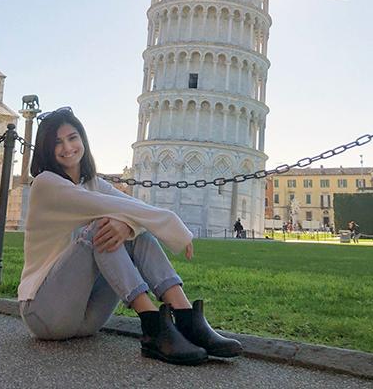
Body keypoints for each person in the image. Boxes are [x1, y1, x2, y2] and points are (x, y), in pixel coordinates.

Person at [17, 107, 242, 366]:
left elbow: (132, 210)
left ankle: (186, 316)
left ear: (83, 139)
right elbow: (121, 209)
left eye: (73, 137)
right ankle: (153, 325)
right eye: (57, 142)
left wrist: (128, 227)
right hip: (44, 313)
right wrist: (171, 226)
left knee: (128, 231)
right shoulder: (46, 184)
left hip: (87, 318)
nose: (67, 147)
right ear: (46, 148)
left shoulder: (93, 183)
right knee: (103, 229)